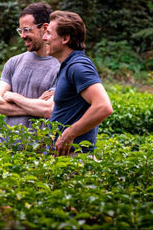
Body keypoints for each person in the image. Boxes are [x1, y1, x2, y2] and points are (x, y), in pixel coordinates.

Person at [44, 10, 113, 156]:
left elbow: (103, 106)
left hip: (74, 158)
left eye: (49, 33)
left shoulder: (78, 66)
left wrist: (69, 134)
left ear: (65, 39)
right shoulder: (68, 65)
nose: (45, 38)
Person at [0, 2, 60, 139]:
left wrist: (13, 96)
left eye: (27, 30)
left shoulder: (60, 67)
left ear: (45, 28)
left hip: (39, 150)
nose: (22, 35)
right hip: (6, 149)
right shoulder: (14, 62)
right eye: (20, 31)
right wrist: (35, 105)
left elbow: (47, 110)